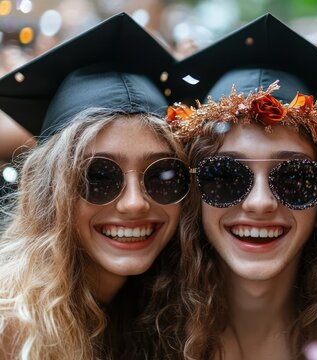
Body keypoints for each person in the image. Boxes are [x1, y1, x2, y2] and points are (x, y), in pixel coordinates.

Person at [149, 14, 317, 359]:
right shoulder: (136, 340)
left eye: (294, 177)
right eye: (224, 175)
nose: (260, 202)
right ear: (193, 195)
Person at [0, 13, 190, 359]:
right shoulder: (9, 329)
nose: (135, 203)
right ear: (49, 188)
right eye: (98, 177)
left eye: (162, 176)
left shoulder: (174, 315)